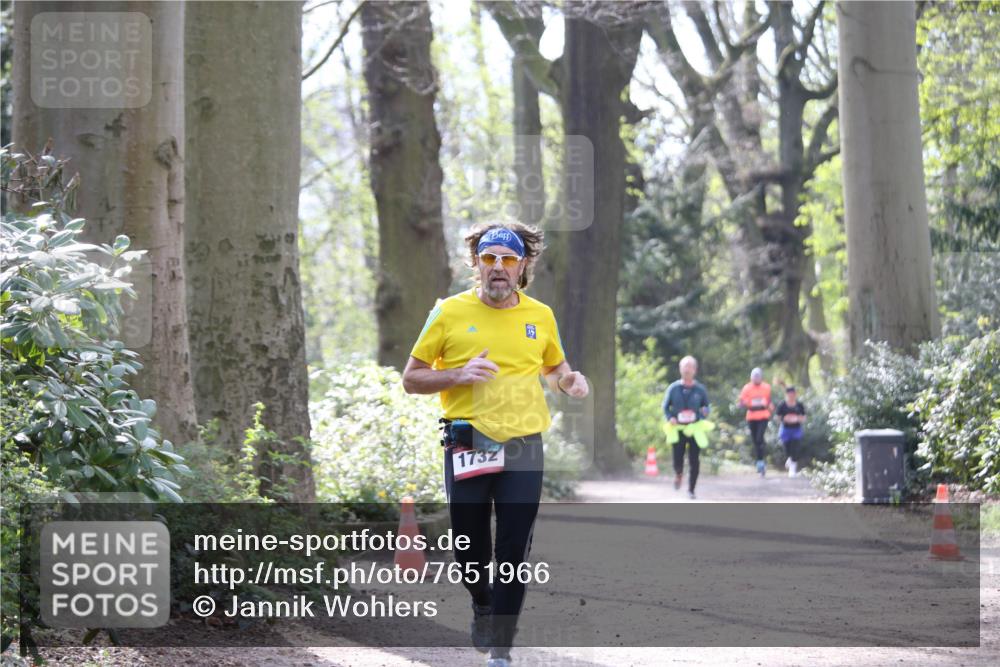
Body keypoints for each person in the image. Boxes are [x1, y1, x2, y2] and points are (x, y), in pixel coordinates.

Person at [401, 222, 588, 667]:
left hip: (523, 444)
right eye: (490, 259)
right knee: (468, 548)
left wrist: (570, 382)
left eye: (508, 259)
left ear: (523, 265)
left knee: (512, 548)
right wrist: (457, 375)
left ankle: (501, 647)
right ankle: (482, 603)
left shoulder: (540, 316)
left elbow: (556, 369)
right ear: (477, 265)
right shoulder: (447, 313)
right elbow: (411, 378)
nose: (498, 267)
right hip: (468, 442)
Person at [662, 356, 711, 499]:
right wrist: (670, 417)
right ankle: (678, 474)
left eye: (690, 367)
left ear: (695, 370)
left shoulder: (700, 389)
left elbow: (706, 407)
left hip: (695, 429)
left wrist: (704, 414)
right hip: (678, 429)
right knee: (677, 457)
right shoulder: (673, 388)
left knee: (694, 459)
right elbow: (665, 407)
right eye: (684, 366)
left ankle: (691, 489)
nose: (687, 369)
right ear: (680, 369)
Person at [739, 367, 774, 476]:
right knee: (756, 441)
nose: (756, 378)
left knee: (759, 438)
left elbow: (768, 401)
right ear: (751, 377)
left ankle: (761, 463)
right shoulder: (747, 388)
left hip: (763, 415)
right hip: (751, 416)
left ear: (761, 377)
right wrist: (745, 403)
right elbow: (742, 401)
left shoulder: (767, 387)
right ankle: (760, 462)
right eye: (754, 376)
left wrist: (769, 406)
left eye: (758, 376)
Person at [775, 386, 807, 477]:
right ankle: (790, 459)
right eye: (790, 394)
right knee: (787, 448)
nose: (791, 396)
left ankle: (792, 469)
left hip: (796, 429)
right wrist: (785, 419)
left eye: (793, 394)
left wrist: (797, 419)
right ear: (786, 395)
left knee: (795, 447)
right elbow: (778, 417)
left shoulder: (799, 405)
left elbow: (804, 417)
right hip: (785, 429)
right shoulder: (782, 405)